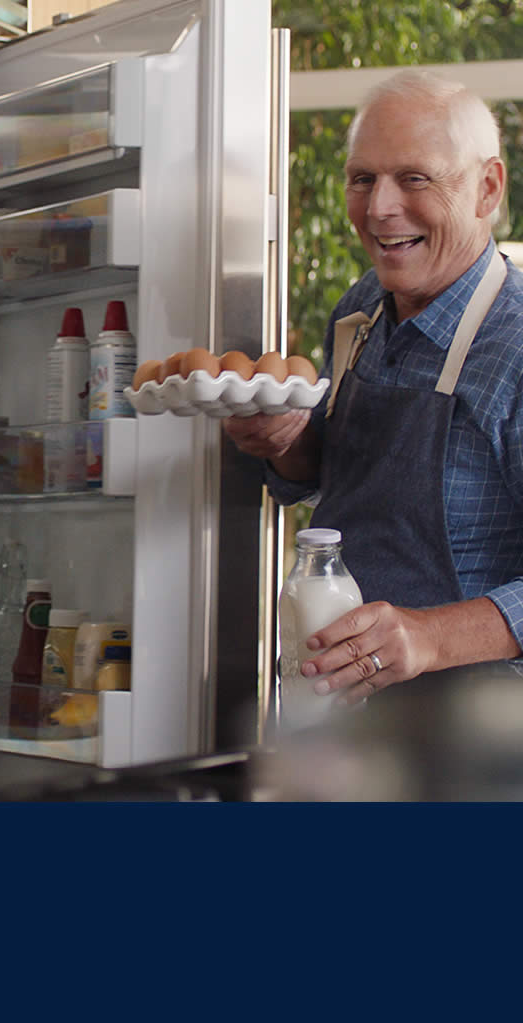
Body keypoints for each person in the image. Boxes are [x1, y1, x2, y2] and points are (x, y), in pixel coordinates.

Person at [223, 68, 523, 707]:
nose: (380, 208)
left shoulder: (517, 345)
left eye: (414, 178)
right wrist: (283, 440)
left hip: (478, 734)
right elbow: (332, 476)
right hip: (338, 709)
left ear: (487, 188)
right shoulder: (362, 307)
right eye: (362, 179)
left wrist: (429, 636)